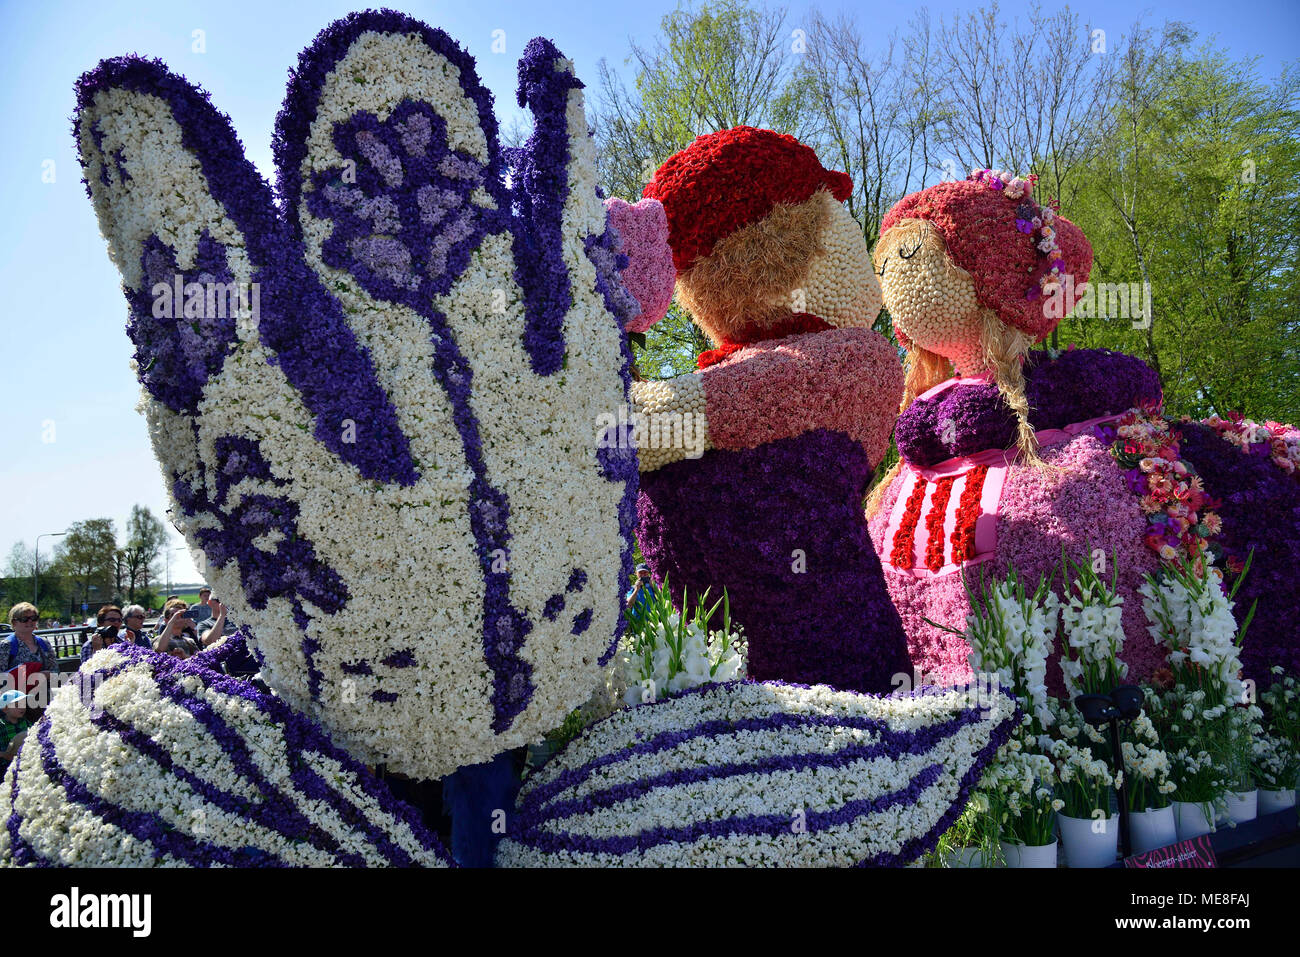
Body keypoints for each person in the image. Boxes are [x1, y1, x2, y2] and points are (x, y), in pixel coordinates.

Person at [3, 603, 58, 699]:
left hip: (44, 698)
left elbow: (56, 671)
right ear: (14, 623)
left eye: (34, 618)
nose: (30, 621)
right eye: (24, 619)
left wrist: (46, 675)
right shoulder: (6, 645)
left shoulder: (44, 643)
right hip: (17, 702)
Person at [0, 689, 32, 775]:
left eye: (23, 704)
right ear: (5, 709)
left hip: (23, 761)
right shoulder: (1, 725)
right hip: (5, 766)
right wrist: (4, 755)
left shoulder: (25, 722)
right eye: (17, 705)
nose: (22, 708)